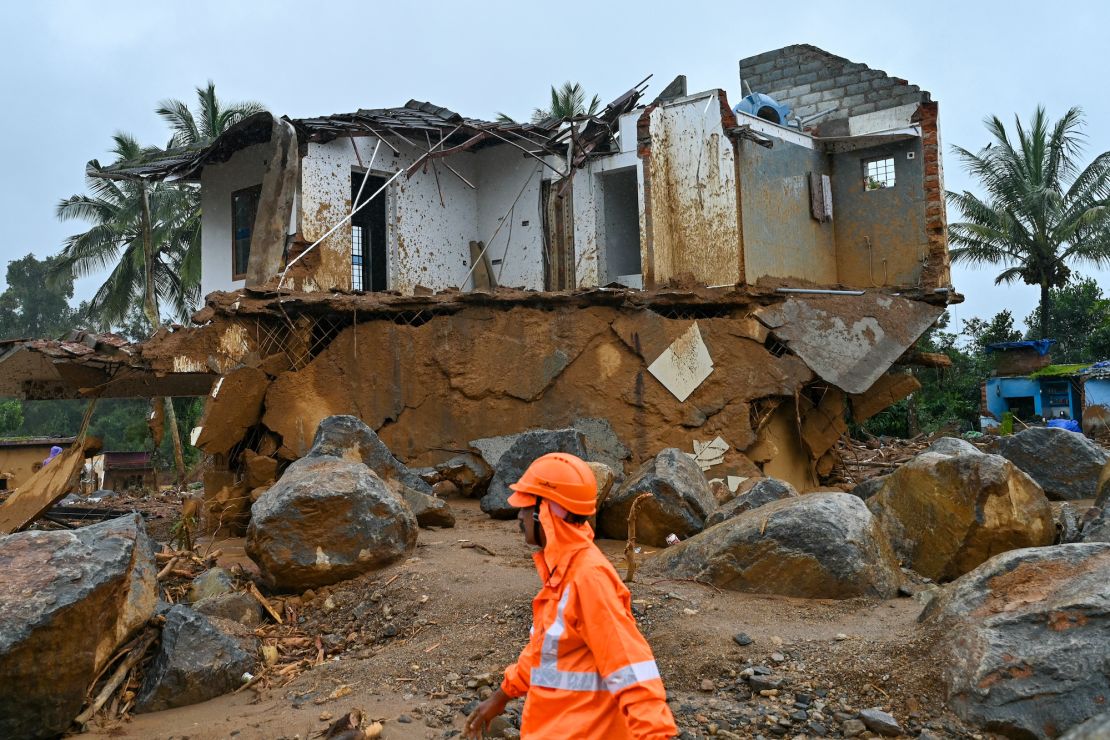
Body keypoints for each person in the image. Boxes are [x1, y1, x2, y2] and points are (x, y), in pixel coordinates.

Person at [464, 452, 677, 740]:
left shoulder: (588, 578)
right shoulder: (563, 572)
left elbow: (631, 668)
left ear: (546, 512)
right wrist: (502, 696)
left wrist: (656, 734)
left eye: (526, 507)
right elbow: (545, 653)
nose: (520, 516)